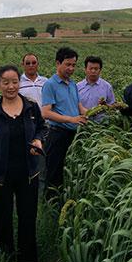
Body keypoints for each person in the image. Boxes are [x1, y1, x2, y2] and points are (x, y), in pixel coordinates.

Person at [0, 65, 46, 262]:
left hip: (28, 174)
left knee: (28, 219)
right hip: (0, 176)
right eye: (5, 82)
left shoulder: (31, 106)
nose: (11, 86)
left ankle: (28, 261)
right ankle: (6, 259)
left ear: (20, 82)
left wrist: (38, 140)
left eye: (14, 82)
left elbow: (42, 128)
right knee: (2, 221)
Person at [41, 47, 87, 197]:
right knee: (54, 174)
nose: (71, 68)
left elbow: (78, 106)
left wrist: (94, 113)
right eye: (68, 64)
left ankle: (64, 201)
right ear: (58, 63)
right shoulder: (50, 84)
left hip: (72, 135)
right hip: (57, 135)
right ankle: (51, 207)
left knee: (69, 171)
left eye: (74, 65)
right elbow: (46, 112)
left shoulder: (73, 84)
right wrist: (71, 119)